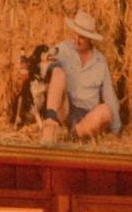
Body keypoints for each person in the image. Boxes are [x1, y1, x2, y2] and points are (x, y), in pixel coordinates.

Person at [40, 10, 121, 144]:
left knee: (105, 110)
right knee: (58, 72)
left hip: (87, 116)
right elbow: (44, 61)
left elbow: (109, 95)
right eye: (75, 35)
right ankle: (49, 126)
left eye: (82, 37)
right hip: (65, 110)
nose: (76, 40)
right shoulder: (63, 48)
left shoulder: (100, 62)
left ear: (90, 39)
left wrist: (116, 129)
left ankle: (74, 134)